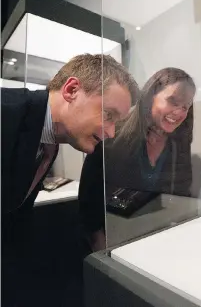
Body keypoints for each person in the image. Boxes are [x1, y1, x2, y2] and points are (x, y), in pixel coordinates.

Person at [1, 53, 138, 307]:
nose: (110, 132)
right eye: (108, 114)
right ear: (72, 90)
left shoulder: (50, 142)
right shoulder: (5, 113)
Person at [78, 68, 195, 252]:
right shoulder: (112, 134)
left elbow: (182, 199)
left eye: (185, 106)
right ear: (151, 96)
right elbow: (89, 208)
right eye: (173, 101)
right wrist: (105, 256)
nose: (179, 113)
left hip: (156, 243)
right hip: (115, 245)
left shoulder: (178, 144)